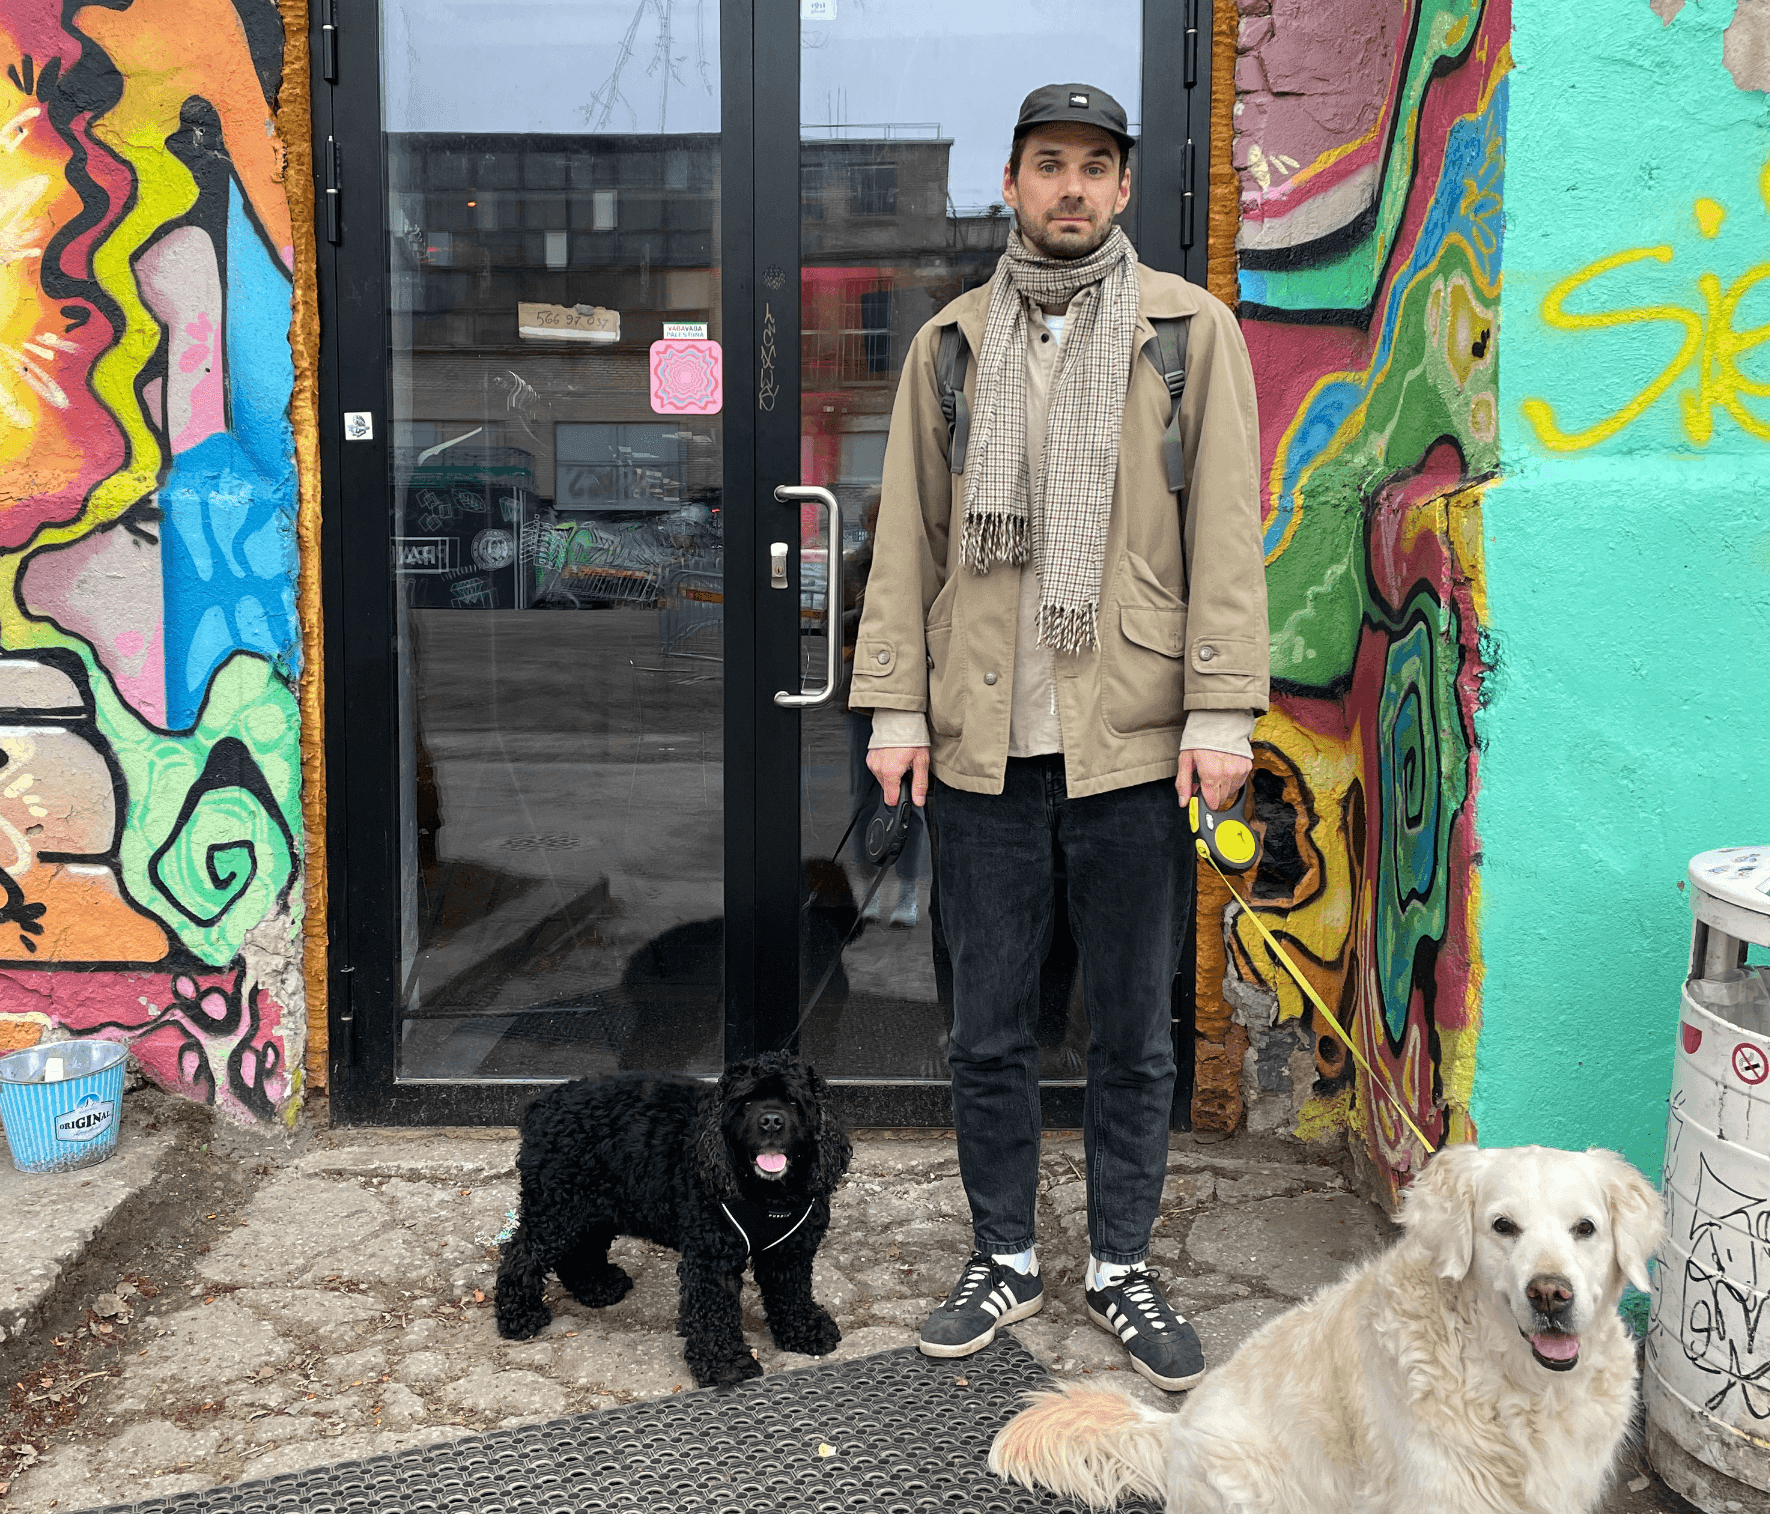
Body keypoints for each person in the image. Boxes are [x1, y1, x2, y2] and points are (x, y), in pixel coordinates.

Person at [848, 83, 1268, 1392]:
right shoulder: (950, 345)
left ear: (1124, 187)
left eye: (1094, 165)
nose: (1071, 187)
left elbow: (1224, 534)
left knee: (1135, 1031)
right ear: (1012, 182)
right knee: (986, 1028)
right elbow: (908, 537)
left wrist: (1220, 709)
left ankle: (1123, 1264)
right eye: (1048, 163)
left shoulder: (1184, 334)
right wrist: (895, 706)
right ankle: (1005, 1255)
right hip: (981, 743)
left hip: (1133, 742)